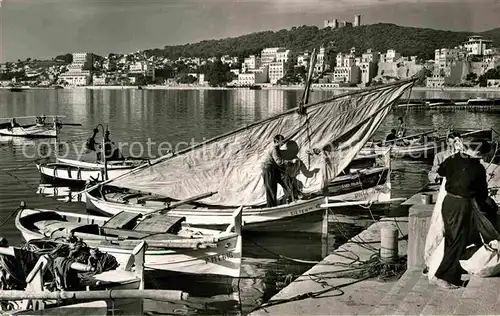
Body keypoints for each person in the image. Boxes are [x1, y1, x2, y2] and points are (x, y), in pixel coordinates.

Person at [430, 138, 491, 289]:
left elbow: (440, 172)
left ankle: (453, 276)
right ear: (477, 152)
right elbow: (482, 192)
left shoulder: (452, 158)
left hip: (448, 202)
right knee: (459, 240)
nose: (482, 158)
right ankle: (440, 276)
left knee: (451, 238)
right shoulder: (478, 168)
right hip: (462, 204)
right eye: (482, 155)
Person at [261, 134, 296, 207]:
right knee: (271, 189)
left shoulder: (277, 149)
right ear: (276, 141)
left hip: (273, 168)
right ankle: (271, 207)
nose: (283, 143)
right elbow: (278, 161)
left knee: (286, 178)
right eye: (281, 141)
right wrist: (291, 162)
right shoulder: (274, 148)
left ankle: (294, 198)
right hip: (268, 169)